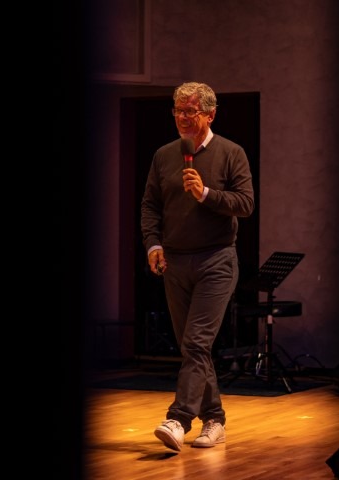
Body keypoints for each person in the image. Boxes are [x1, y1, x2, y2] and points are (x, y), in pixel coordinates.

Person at [140, 82, 255, 451]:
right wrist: (153, 244)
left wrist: (205, 193)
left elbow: (245, 204)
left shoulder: (231, 153)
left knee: (196, 342)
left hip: (216, 260)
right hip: (175, 261)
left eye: (190, 111)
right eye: (177, 110)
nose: (182, 117)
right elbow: (150, 205)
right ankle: (215, 419)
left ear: (210, 114)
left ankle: (179, 419)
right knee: (193, 348)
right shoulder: (164, 156)